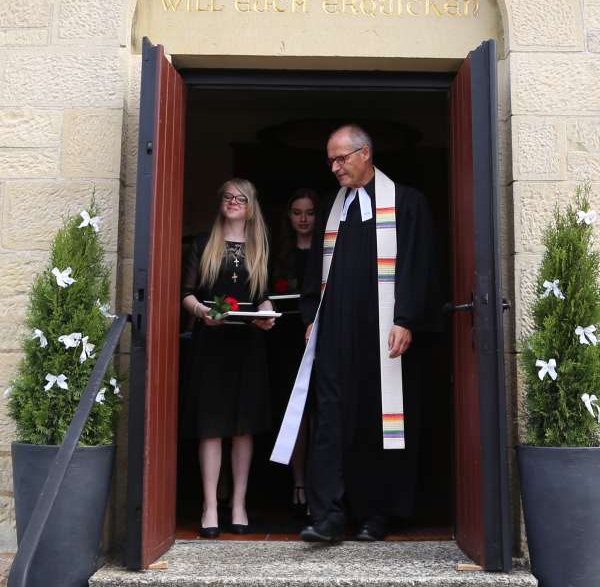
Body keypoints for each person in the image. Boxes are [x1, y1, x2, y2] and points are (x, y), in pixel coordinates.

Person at [271, 125, 437, 544]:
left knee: (376, 423)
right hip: (334, 333)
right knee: (329, 421)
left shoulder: (406, 203)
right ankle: (327, 516)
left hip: (384, 335)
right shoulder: (332, 206)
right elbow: (315, 273)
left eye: (341, 158)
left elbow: (418, 265)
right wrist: (311, 315)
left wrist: (406, 319)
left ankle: (373, 515)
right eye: (331, 160)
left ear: (365, 154)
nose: (334, 167)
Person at [180, 178, 277, 538]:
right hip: (212, 343)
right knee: (211, 424)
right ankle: (209, 506)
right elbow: (186, 294)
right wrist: (202, 311)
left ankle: (238, 503)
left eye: (241, 198)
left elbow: (264, 295)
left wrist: (267, 313)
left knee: (243, 425)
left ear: (251, 206)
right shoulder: (204, 244)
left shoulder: (259, 247)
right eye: (227, 197)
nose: (233, 202)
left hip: (247, 344)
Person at [269, 188, 320, 516]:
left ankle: (321, 484)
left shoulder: (325, 251)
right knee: (295, 414)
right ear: (288, 217)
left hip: (321, 338)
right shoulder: (277, 255)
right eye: (297, 212)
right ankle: (298, 481)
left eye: (310, 212)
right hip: (286, 342)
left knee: (321, 413)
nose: (303, 218)